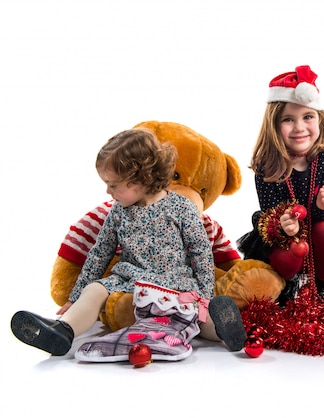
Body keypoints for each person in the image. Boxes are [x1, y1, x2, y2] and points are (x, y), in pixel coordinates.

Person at [11, 128, 246, 357]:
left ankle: (225, 329)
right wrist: (76, 296)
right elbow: (100, 252)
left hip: (174, 283)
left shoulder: (181, 207)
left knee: (197, 315)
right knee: (95, 290)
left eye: (113, 184)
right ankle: (63, 330)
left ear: (141, 178)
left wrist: (205, 295)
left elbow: (201, 252)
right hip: (129, 281)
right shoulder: (118, 211)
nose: (107, 190)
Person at [237, 65, 324, 302]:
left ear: (319, 119)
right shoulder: (267, 166)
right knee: (295, 245)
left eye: (307, 117)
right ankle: (284, 288)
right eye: (288, 119)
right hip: (284, 241)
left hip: (319, 234)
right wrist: (283, 225)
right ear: (274, 125)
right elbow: (268, 217)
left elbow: (323, 218)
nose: (300, 128)